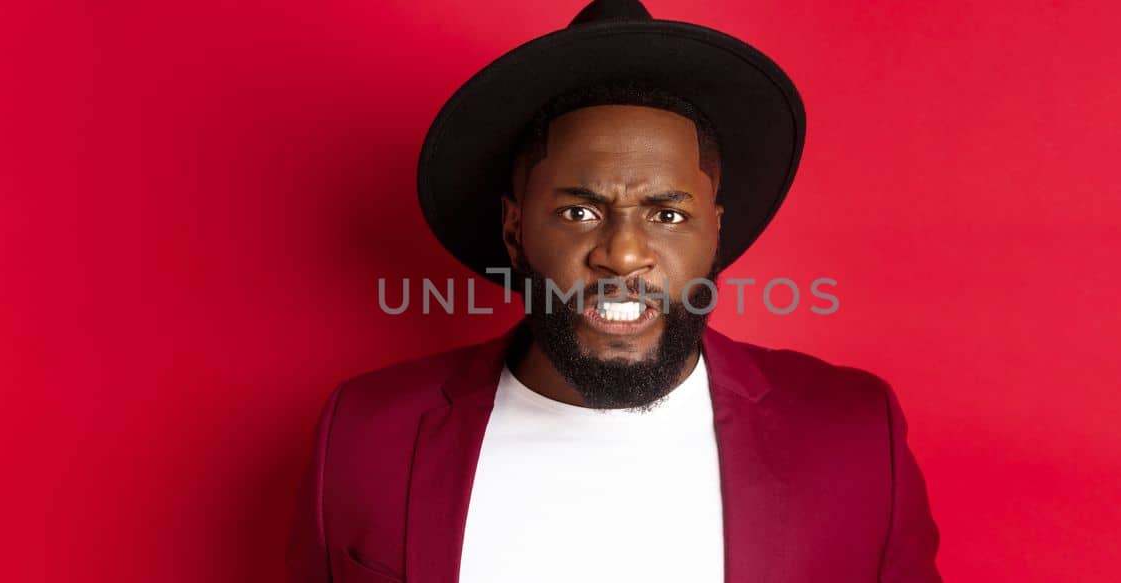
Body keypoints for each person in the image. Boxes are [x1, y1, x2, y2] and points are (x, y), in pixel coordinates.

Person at [288, 1, 941, 581]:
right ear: (515, 231)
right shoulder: (366, 433)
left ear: (715, 232)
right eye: (579, 212)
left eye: (667, 215)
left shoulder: (854, 435)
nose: (623, 253)